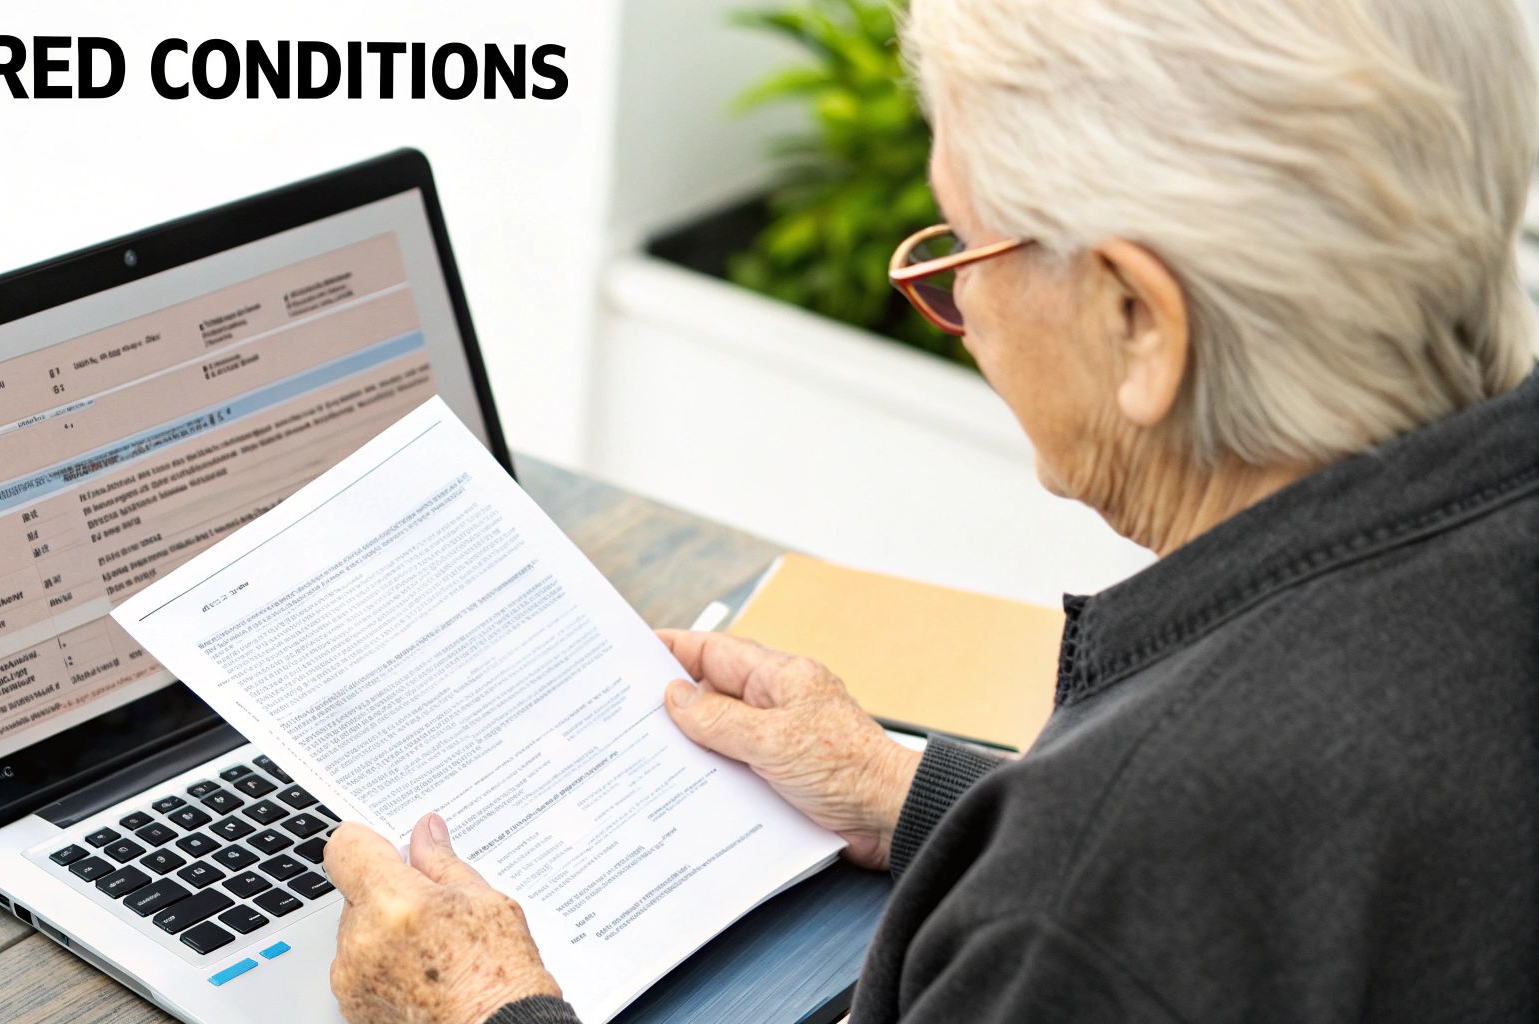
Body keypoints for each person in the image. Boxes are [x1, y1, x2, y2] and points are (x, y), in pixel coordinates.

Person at [321, 0, 1539, 1019]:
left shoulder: (1085, 901)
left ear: (1137, 323)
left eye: (961, 248)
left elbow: (1130, 914)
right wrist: (916, 795)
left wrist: (486, 1010)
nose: (962, 311)